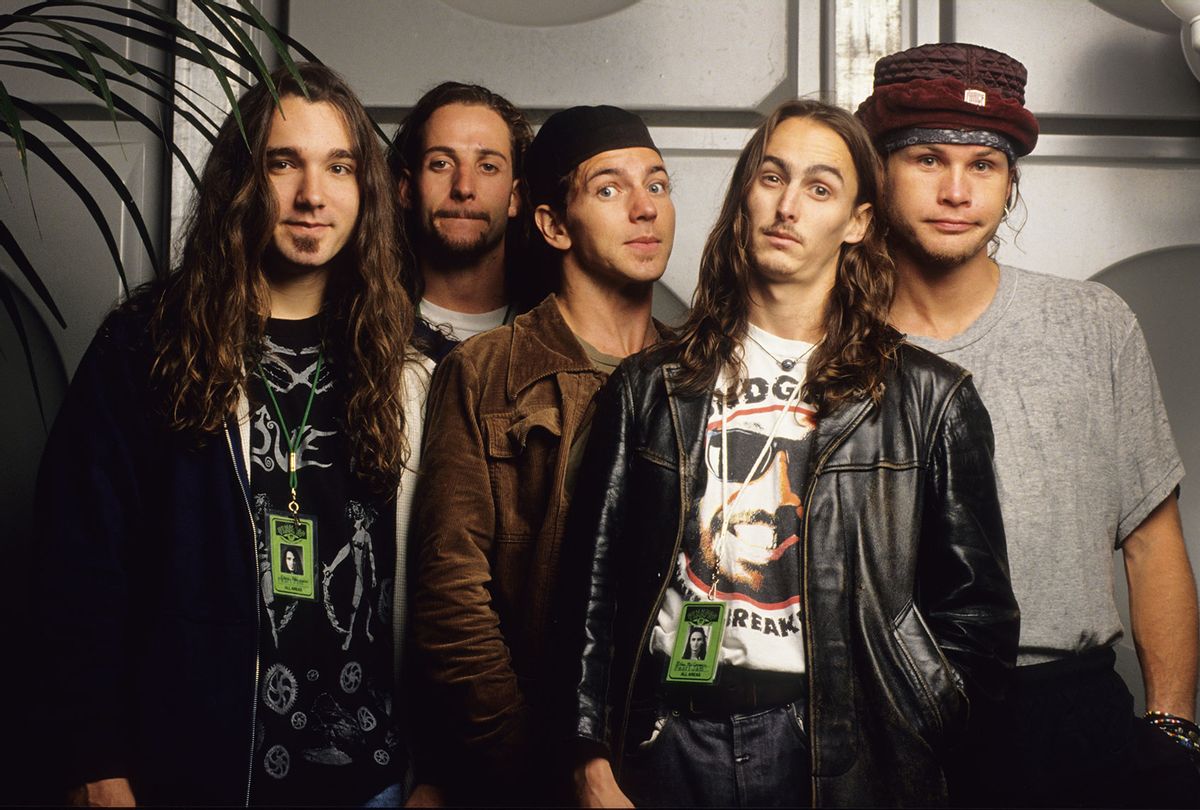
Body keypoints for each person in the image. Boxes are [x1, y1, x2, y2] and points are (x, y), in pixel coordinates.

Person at [559, 98, 1019, 808]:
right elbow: (590, 590)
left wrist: (921, 720)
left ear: (858, 222)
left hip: (836, 744)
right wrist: (590, 757)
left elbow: (979, 622)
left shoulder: (928, 400)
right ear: (745, 195)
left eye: (820, 187)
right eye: (772, 178)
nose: (788, 207)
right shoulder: (650, 388)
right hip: (665, 736)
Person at [34, 63, 430, 806]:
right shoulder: (147, 345)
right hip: (200, 775)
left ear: (366, 190)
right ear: (241, 182)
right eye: (285, 163)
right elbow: (77, 565)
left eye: (339, 167)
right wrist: (95, 759)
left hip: (375, 782)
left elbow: (450, 592)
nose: (313, 195)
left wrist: (437, 774)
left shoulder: (408, 362)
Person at [857, 42, 1200, 806]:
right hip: (885, 709)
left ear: (1011, 185)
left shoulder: (1091, 322)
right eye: (926, 160)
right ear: (877, 173)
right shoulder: (833, 346)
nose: (956, 190)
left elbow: (1152, 541)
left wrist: (1173, 725)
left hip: (1068, 713)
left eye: (983, 164)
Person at [408, 104, 674, 805]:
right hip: (524, 771)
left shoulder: (702, 373)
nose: (645, 209)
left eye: (659, 184)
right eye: (611, 189)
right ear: (554, 224)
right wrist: (539, 770)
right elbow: (452, 600)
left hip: (673, 767)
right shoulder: (486, 371)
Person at [388, 82, 537, 363]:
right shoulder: (364, 324)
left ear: (514, 197)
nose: (464, 188)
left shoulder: (553, 330)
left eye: (488, 167)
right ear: (407, 189)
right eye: (441, 164)